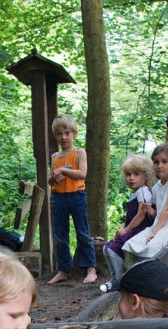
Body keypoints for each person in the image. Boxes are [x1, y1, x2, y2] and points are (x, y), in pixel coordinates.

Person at [47, 114, 96, 285]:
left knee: (83, 232)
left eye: (67, 133)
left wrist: (63, 171)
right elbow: (50, 180)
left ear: (74, 133)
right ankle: (63, 269)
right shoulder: (55, 157)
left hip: (77, 196)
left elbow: (82, 173)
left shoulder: (79, 152)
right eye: (60, 134)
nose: (63, 137)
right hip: (59, 197)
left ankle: (90, 268)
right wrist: (55, 175)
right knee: (60, 235)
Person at [120, 144, 168, 262]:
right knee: (129, 246)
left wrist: (154, 232)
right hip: (157, 226)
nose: (159, 166)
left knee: (152, 248)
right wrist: (151, 211)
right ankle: (131, 278)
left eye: (164, 162)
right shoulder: (157, 186)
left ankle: (150, 278)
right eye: (156, 162)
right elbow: (160, 211)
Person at [102, 154, 156, 288]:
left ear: (146, 176)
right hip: (133, 228)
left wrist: (126, 230)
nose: (131, 178)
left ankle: (120, 280)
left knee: (112, 249)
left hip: (138, 230)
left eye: (136, 174)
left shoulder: (143, 191)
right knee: (106, 248)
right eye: (128, 174)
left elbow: (141, 214)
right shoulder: (136, 192)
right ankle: (114, 278)